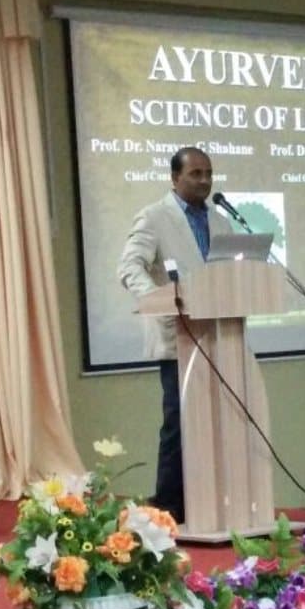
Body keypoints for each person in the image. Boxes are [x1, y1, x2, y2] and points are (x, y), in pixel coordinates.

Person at [117, 146, 230, 523]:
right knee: (179, 423)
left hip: (218, 335)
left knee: (218, 421)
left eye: (208, 173)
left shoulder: (220, 220)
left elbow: (228, 275)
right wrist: (156, 300)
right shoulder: (154, 217)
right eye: (195, 174)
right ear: (174, 178)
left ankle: (211, 499)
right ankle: (167, 506)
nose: (204, 181)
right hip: (177, 336)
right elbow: (129, 266)